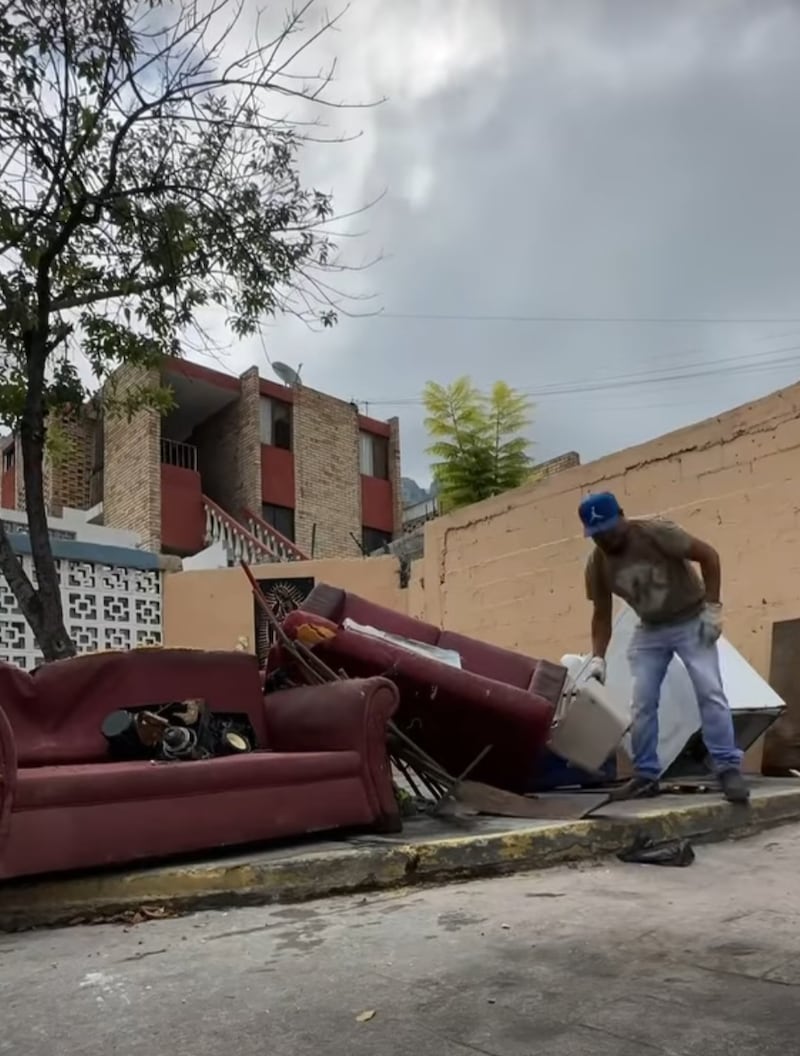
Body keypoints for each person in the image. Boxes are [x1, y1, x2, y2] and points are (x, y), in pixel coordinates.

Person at [578, 491, 749, 804]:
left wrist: (712, 608)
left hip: (690, 618)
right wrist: (598, 658)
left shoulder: (658, 533)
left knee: (709, 689)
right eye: (597, 536)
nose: (605, 540)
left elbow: (709, 556)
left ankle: (727, 768)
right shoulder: (597, 564)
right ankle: (646, 776)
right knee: (642, 701)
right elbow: (601, 613)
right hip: (651, 630)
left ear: (622, 516)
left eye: (609, 531)